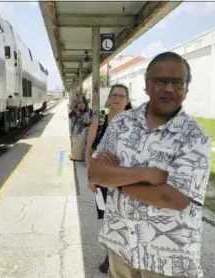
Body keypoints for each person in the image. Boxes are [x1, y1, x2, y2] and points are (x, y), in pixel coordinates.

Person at [88, 51, 212, 278]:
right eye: (161, 80)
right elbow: (95, 173)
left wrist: (117, 181)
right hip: (120, 245)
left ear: (186, 88)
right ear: (147, 85)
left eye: (178, 82)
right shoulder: (121, 124)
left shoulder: (195, 136)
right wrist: (146, 173)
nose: (169, 88)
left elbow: (174, 197)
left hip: (167, 257)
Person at [85, 84, 133, 274]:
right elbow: (89, 148)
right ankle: (110, 256)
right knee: (108, 218)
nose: (117, 98)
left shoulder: (133, 122)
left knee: (125, 218)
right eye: (114, 95)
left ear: (127, 100)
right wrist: (91, 177)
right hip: (103, 179)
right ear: (108, 98)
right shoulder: (100, 119)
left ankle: (124, 256)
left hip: (125, 179)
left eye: (121, 95)